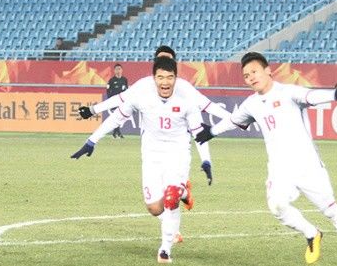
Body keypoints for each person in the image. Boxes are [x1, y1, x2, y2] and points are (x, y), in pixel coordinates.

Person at [195, 52, 337, 266]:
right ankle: (312, 233)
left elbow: (311, 96)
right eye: (246, 75)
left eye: (254, 71)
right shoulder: (251, 104)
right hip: (279, 169)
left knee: (330, 210)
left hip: (307, 165)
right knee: (276, 205)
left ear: (268, 70)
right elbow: (234, 120)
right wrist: (211, 132)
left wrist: (335, 94)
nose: (250, 78)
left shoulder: (288, 92)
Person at [71, 57, 205, 264]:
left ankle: (165, 250)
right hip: (151, 156)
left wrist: (207, 161)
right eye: (160, 77)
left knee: (170, 197)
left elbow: (201, 128)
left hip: (177, 154)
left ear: (175, 78)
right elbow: (116, 115)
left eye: (169, 77)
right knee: (154, 208)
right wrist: (91, 141)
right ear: (154, 77)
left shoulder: (186, 97)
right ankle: (185, 193)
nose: (165, 81)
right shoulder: (141, 94)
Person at [78, 45, 227, 188]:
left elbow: (209, 106)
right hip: (151, 149)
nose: (164, 64)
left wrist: (236, 119)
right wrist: (93, 111)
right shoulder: (143, 87)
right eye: (160, 60)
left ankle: (181, 190)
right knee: (155, 205)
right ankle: (180, 191)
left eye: (168, 61)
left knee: (172, 193)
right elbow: (120, 100)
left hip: (178, 147)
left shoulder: (185, 89)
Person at [106, 63, 128, 138]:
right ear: (114, 71)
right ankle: (118, 133)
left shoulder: (124, 80)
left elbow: (126, 90)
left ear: (122, 70)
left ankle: (115, 133)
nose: (118, 71)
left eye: (119, 69)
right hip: (114, 102)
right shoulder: (111, 80)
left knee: (120, 118)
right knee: (117, 117)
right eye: (116, 69)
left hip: (122, 102)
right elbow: (108, 91)